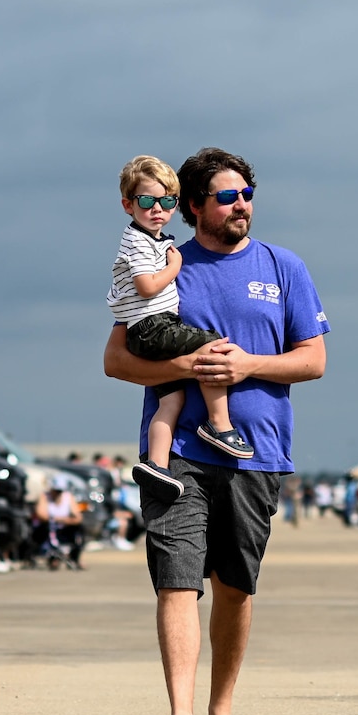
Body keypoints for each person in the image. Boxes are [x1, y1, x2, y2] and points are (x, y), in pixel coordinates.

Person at [105, 146, 328, 715]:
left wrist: (251, 364)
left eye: (247, 195)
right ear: (194, 206)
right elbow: (117, 360)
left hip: (256, 451)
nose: (241, 206)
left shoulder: (284, 267)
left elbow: (314, 359)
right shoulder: (166, 261)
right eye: (226, 197)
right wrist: (188, 365)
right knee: (177, 580)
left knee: (235, 584)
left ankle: (220, 712)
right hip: (176, 450)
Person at [107, 155, 252, 504]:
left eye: (166, 201)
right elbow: (146, 286)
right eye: (146, 201)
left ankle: (157, 465)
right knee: (213, 346)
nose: (157, 209)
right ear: (128, 204)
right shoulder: (140, 242)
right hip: (154, 326)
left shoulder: (152, 239)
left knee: (171, 399)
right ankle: (219, 424)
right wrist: (176, 265)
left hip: (148, 328)